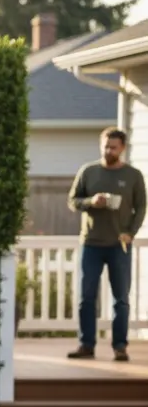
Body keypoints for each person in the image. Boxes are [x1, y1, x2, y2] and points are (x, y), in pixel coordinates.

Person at [67, 127, 147, 361]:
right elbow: (72, 201)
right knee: (86, 297)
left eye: (113, 147)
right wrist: (91, 201)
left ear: (122, 148)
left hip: (119, 245)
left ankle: (120, 346)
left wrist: (131, 232)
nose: (108, 150)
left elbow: (141, 206)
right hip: (91, 243)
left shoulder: (133, 175)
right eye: (105, 146)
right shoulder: (88, 171)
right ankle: (86, 345)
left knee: (120, 299)